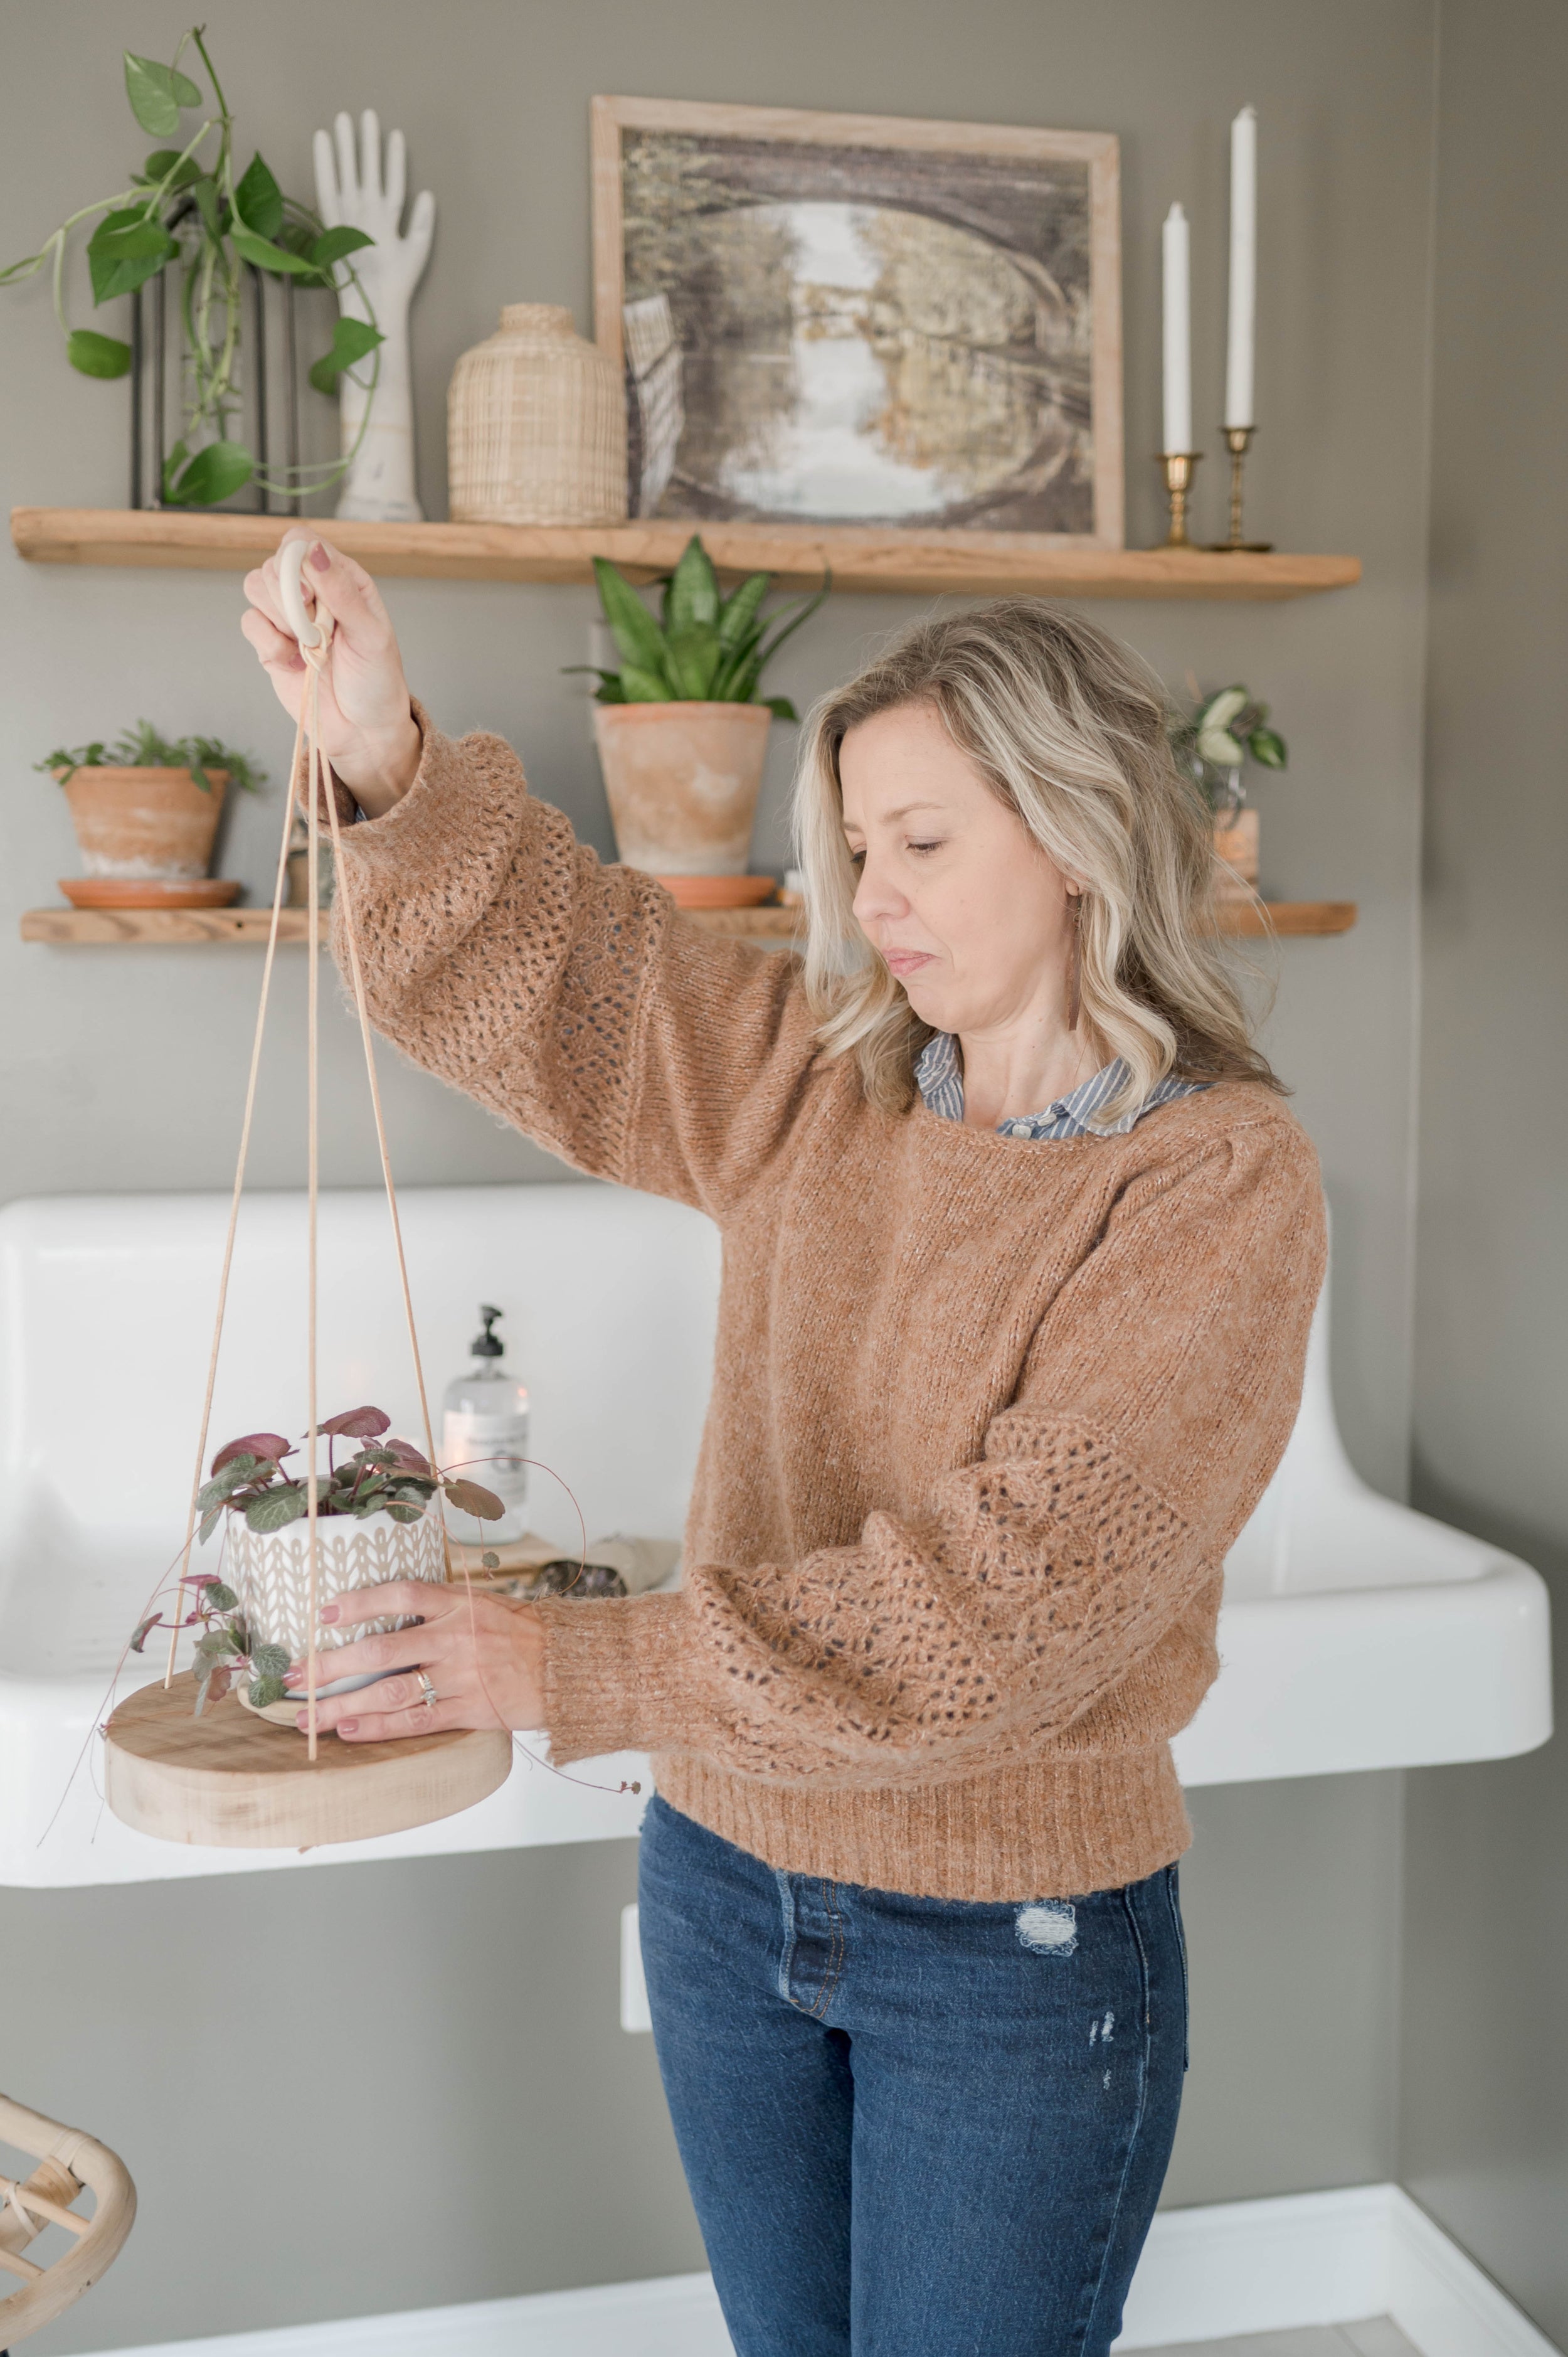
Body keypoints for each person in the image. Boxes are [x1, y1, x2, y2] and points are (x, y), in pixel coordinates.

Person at [242, 547, 1327, 2357]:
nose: (873, 898)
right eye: (854, 851)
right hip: (726, 1883)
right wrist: (379, 759)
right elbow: (562, 972)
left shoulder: (1210, 1183)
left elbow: (1004, 1610)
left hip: (1010, 1945)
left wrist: (576, 1660)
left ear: (1068, 835)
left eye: (922, 842)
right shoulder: (816, 1087)